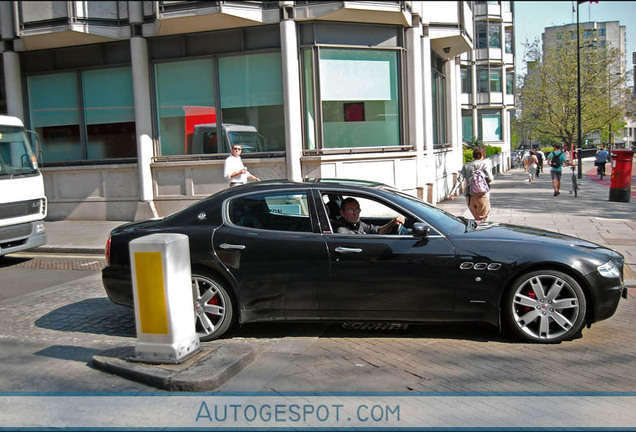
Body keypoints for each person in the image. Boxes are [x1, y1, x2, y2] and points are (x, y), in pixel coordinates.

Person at [449, 146, 494, 222]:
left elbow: (460, 179)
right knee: (483, 220)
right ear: (482, 155)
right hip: (482, 195)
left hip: (469, 196)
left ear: (473, 155)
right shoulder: (484, 165)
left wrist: (452, 193)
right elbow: (490, 178)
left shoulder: (466, 166)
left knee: (476, 219)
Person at [336, 197, 404, 235]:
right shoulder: (342, 231)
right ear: (342, 213)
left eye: (357, 210)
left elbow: (378, 231)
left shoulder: (358, 224)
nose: (355, 213)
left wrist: (393, 223)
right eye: (351, 210)